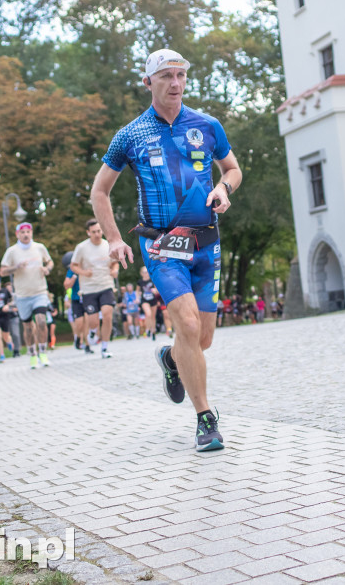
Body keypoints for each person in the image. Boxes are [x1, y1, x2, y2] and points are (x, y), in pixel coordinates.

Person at [90, 48, 242, 452]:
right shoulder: (130, 135)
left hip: (205, 241)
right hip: (159, 244)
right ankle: (205, 419)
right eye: (166, 76)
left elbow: (232, 168)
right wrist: (115, 239)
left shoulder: (207, 125)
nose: (175, 83)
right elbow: (99, 190)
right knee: (188, 327)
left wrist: (222, 188)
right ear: (149, 83)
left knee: (202, 339)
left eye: (180, 75)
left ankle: (172, 360)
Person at [0, 222, 54, 369]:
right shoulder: (12, 251)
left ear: (31, 233)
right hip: (23, 295)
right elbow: (2, 271)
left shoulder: (39, 247)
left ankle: (43, 352)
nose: (25, 234)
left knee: (41, 321)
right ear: (17, 234)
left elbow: (50, 262)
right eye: (22, 232)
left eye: (28, 232)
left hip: (40, 291)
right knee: (28, 327)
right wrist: (16, 267)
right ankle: (32, 354)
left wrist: (47, 268)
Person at [70, 218, 119, 359]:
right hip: (89, 289)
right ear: (88, 233)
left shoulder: (108, 245)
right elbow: (73, 265)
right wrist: (84, 272)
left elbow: (115, 263)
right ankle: (92, 332)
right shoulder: (81, 248)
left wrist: (115, 270)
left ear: (102, 230)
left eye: (99, 231)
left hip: (106, 285)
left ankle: (104, 347)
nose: (97, 234)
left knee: (108, 314)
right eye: (93, 232)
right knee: (93, 321)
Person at [63, 252, 90, 353]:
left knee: (87, 321)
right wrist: (74, 276)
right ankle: (78, 337)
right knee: (79, 324)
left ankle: (87, 345)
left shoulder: (85, 267)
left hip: (87, 297)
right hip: (76, 299)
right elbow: (66, 285)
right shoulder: (71, 271)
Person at [138, 267, 158, 340]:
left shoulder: (152, 280)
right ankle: (148, 329)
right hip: (144, 300)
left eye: (146, 272)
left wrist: (155, 290)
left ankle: (153, 331)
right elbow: (137, 291)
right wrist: (137, 298)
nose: (145, 273)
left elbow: (157, 289)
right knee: (148, 314)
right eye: (144, 272)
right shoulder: (140, 282)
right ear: (141, 273)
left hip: (153, 300)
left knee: (152, 317)